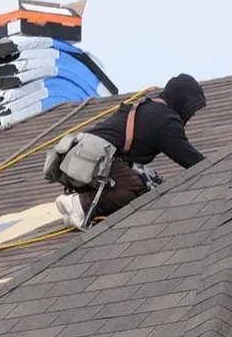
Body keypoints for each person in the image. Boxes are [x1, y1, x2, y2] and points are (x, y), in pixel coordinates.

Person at [54, 73, 206, 229]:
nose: (191, 116)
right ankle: (77, 204)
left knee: (146, 184)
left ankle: (78, 208)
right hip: (94, 159)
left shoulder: (150, 108)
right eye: (191, 110)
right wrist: (220, 166)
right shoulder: (165, 120)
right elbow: (192, 160)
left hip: (80, 157)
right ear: (182, 101)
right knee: (136, 187)